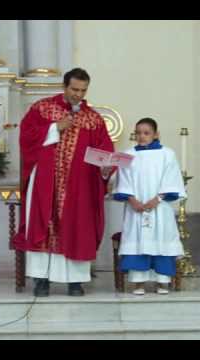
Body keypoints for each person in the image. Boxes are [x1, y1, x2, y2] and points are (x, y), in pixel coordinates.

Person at [14, 68, 115, 296]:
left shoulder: (93, 119)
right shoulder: (43, 108)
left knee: (77, 226)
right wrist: (54, 128)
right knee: (43, 223)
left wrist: (107, 167)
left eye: (83, 90)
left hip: (79, 185)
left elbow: (105, 149)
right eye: (74, 89)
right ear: (64, 86)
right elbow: (26, 136)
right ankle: (41, 279)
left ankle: (75, 281)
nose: (78, 95)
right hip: (45, 180)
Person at [113, 118, 186, 295]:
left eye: (146, 133)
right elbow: (123, 180)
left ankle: (163, 281)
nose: (141, 136)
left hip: (159, 207)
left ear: (156, 134)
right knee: (138, 243)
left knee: (160, 241)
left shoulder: (167, 154)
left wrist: (158, 198)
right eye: (138, 133)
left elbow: (171, 179)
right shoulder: (127, 154)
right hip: (136, 208)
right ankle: (138, 283)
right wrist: (132, 200)